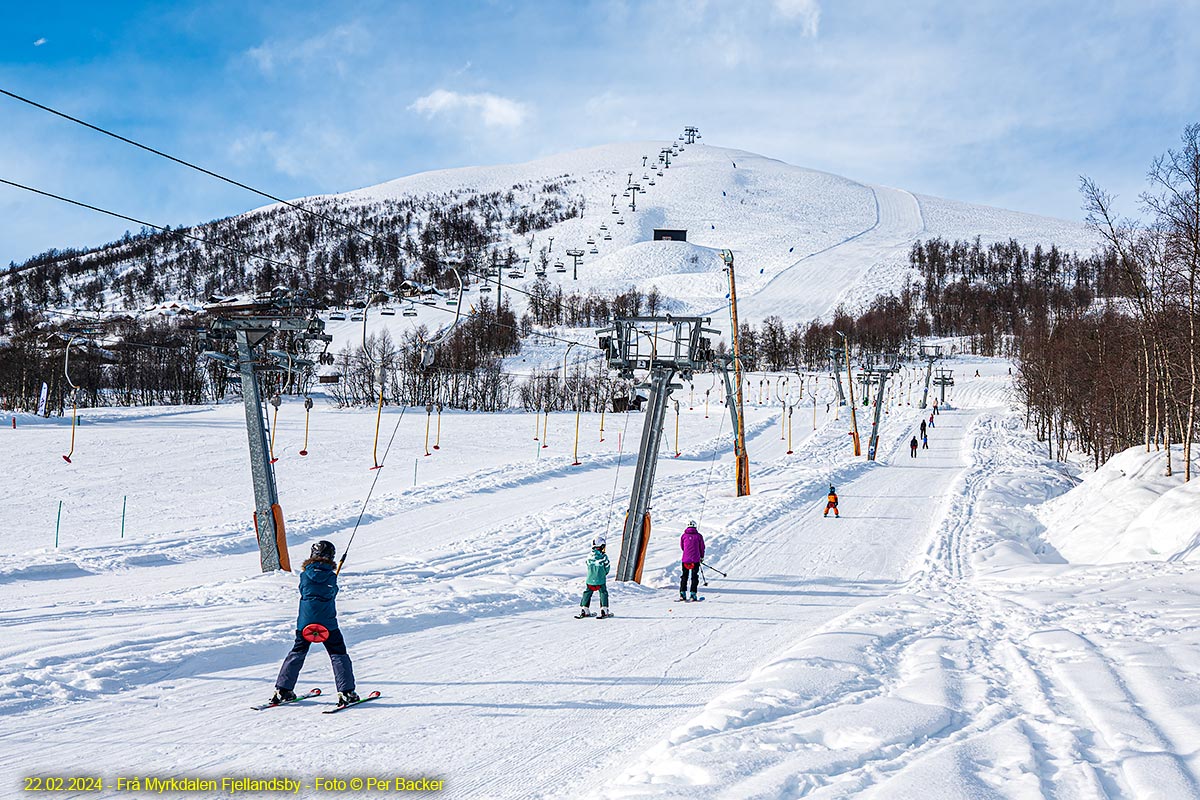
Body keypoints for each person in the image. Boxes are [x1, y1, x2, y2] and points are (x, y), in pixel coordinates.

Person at [270, 540, 358, 707]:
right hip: (327, 624)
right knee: (338, 654)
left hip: (305, 623)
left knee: (297, 652)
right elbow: (332, 593)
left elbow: (305, 591)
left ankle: (283, 690)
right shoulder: (331, 576)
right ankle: (346, 692)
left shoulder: (304, 575)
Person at [578, 535, 611, 618]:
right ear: (601, 547)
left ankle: (584, 609)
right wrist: (604, 573)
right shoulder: (603, 557)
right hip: (600, 579)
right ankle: (604, 609)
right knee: (603, 592)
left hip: (590, 579)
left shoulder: (589, 556)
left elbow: (588, 565)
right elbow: (607, 568)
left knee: (587, 592)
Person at [679, 522, 705, 601]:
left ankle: (682, 594)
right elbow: (702, 547)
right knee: (694, 577)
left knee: (684, 576)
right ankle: (693, 594)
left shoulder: (683, 536)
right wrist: (701, 557)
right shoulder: (699, 536)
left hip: (685, 559)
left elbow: (682, 547)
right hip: (695, 559)